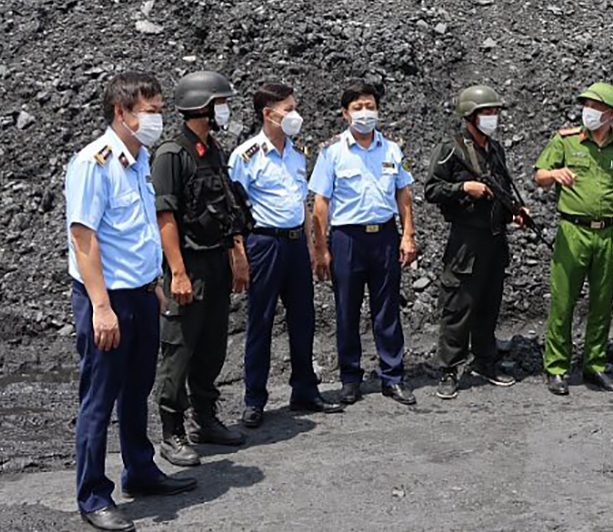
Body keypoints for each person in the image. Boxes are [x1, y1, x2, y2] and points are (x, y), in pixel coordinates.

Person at [64, 72, 195, 532]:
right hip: (108, 301)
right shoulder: (93, 163)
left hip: (140, 295)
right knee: (98, 401)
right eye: (151, 111)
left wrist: (154, 283)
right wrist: (101, 306)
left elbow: (138, 232)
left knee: (137, 390)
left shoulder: (140, 160)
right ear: (122, 113)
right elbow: (85, 239)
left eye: (160, 110)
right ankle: (93, 495)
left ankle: (139, 468)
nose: (158, 118)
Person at [151, 71, 252, 466]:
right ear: (203, 108)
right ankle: (171, 431)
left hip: (216, 263)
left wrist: (237, 253)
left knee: (212, 346)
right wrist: (176, 272)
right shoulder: (172, 155)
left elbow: (227, 208)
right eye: (220, 103)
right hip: (188, 264)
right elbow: (166, 218)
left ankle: (205, 418)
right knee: (179, 349)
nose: (225, 110)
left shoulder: (215, 151)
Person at [229, 83, 343, 430]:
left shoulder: (296, 153)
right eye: (288, 109)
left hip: (294, 245)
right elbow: (233, 209)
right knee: (261, 322)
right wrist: (239, 254)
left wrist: (312, 245)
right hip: (264, 244)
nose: (295, 115)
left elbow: (301, 203)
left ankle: (305, 389)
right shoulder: (245, 156)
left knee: (303, 318)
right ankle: (254, 399)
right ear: (269, 114)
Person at [310, 82, 418, 406]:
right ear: (345, 114)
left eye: (370, 106)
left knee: (387, 310)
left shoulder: (392, 150)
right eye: (357, 107)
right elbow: (320, 203)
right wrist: (321, 248)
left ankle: (393, 377)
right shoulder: (331, 152)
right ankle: (350, 378)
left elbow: (404, 195)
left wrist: (408, 234)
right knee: (347, 310)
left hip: (384, 237)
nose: (365, 113)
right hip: (347, 239)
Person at [533, 82, 613, 396]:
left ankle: (594, 365)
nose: (588, 111)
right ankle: (556, 367)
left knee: (602, 303)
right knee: (563, 302)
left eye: (595, 106)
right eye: (586, 105)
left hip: (608, 233)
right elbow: (539, 176)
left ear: (610, 114)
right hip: (572, 232)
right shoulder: (564, 141)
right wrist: (554, 175)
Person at [425, 85, 529, 400]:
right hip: (465, 240)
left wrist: (516, 212)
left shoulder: (496, 149)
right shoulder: (451, 148)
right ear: (470, 116)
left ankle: (485, 360)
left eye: (495, 112)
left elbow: (503, 188)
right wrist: (463, 187)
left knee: (488, 304)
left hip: (495, 237)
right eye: (486, 112)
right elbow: (432, 189)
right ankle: (449, 369)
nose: (492, 117)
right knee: (458, 305)